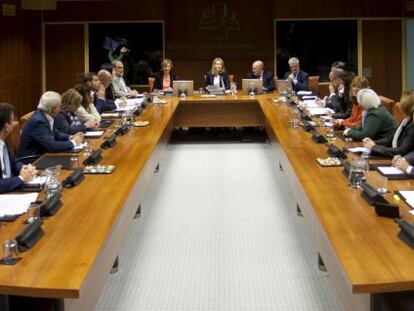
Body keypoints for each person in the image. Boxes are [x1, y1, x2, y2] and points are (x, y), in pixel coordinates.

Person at [18, 91, 84, 160]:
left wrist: (70, 137)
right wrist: (73, 142)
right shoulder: (39, 121)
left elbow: (55, 133)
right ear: (54, 109)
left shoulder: (44, 115)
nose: (60, 109)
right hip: (33, 161)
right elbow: (52, 146)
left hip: (43, 155)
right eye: (59, 106)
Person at [362, 91, 414, 158]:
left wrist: (374, 147)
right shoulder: (405, 122)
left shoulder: (412, 127)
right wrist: (373, 142)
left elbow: (401, 152)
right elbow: (389, 140)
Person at [0, 103, 37, 193]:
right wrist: (21, 178)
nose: (15, 123)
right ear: (6, 126)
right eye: (13, 120)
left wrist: (24, 168)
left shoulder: (3, 142)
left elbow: (13, 162)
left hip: (9, 191)